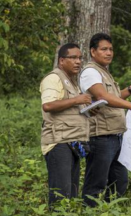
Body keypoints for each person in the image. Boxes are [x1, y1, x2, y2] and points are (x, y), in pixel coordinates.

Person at [79, 32, 131, 206]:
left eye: (110, 49)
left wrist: (130, 90)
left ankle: (111, 210)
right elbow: (103, 96)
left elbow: (113, 96)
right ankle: (89, 210)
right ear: (93, 52)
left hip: (115, 135)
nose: (109, 53)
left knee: (119, 181)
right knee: (96, 183)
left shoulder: (104, 72)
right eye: (104, 49)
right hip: (101, 136)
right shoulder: (91, 72)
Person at [40, 43, 92, 208]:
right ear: (61, 60)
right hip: (58, 143)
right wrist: (77, 100)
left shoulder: (72, 82)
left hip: (72, 142)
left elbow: (69, 109)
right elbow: (48, 105)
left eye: (80, 58)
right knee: (60, 196)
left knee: (71, 193)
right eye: (73, 58)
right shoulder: (54, 78)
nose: (78, 62)